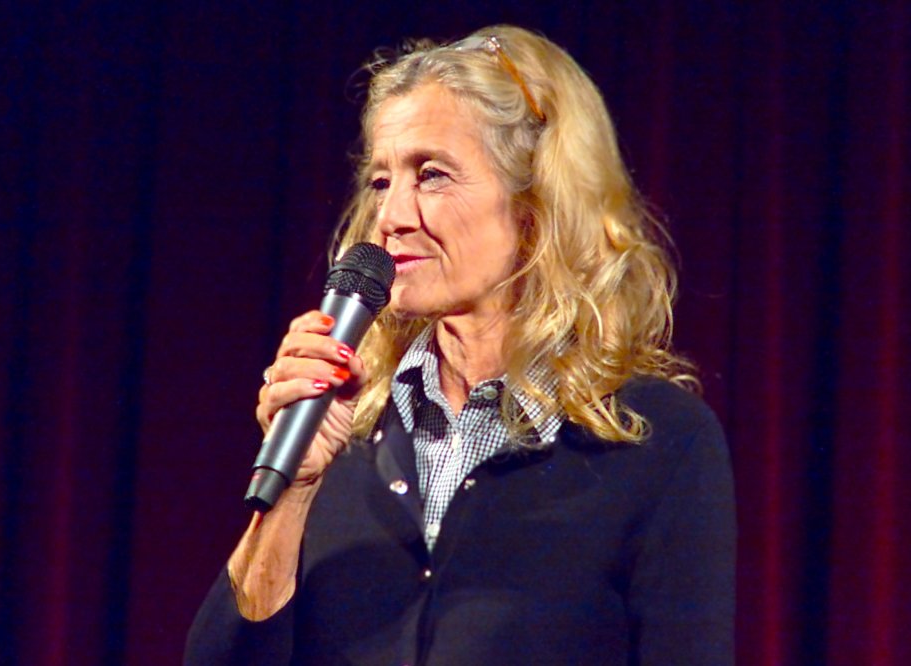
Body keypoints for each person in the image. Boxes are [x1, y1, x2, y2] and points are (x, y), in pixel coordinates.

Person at [185, 24, 735, 665]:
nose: (392, 217)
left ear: (536, 201)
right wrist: (295, 491)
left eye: (433, 175)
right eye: (382, 181)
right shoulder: (344, 427)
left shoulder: (656, 441)